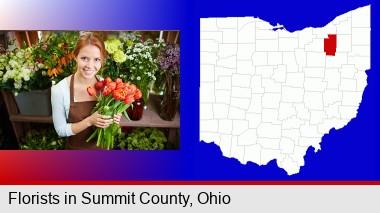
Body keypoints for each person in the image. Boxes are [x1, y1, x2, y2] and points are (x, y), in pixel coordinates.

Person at [51, 32, 122, 150]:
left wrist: (114, 117)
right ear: (75, 57)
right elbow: (61, 130)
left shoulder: (106, 85)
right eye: (84, 58)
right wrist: (89, 121)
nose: (90, 65)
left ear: (102, 60)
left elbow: (110, 123)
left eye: (96, 59)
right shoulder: (60, 90)